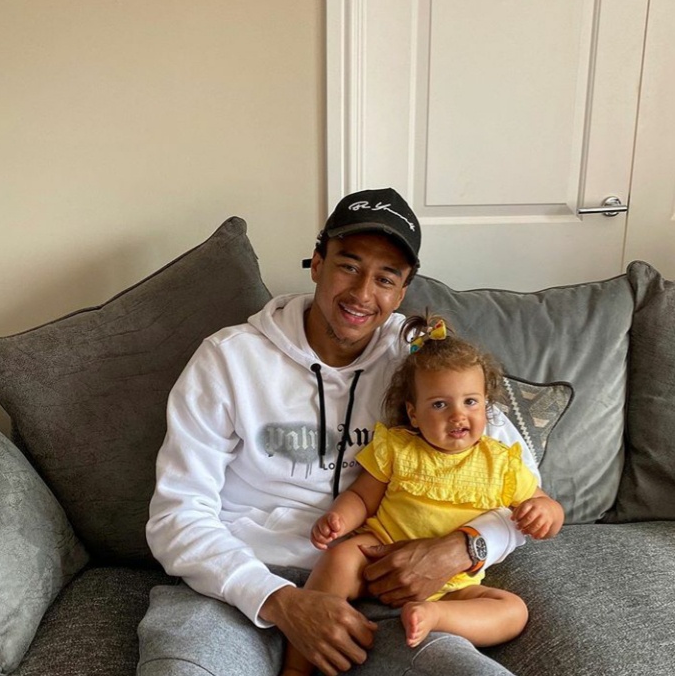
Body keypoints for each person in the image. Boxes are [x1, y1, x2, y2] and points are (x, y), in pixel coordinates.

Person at [141, 188, 540, 676]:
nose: (362, 294)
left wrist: (464, 547)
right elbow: (176, 514)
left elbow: (516, 481)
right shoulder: (229, 359)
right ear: (317, 263)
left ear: (402, 291)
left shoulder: (424, 363)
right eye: (349, 266)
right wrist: (279, 600)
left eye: (385, 278)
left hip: (383, 585)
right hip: (239, 582)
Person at [280, 315, 564, 676]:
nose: (458, 415)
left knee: (513, 612)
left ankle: (435, 615)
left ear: (486, 406)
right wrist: (338, 518)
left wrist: (545, 513)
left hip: (454, 583)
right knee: (339, 559)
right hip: (378, 553)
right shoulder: (398, 448)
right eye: (440, 405)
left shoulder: (502, 463)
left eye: (471, 402)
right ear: (413, 414)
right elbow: (362, 498)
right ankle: (297, 667)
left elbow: (546, 505)